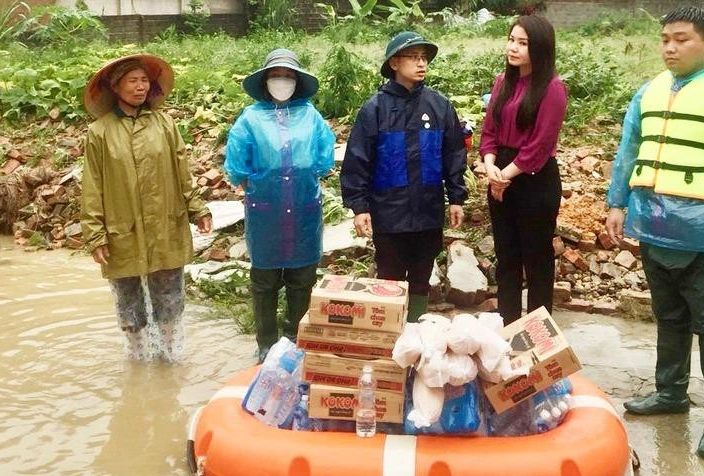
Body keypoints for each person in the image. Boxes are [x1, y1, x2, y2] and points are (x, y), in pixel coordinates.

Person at [605, 6, 704, 460]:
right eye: (665, 38)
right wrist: (617, 202)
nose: (670, 47)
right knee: (668, 319)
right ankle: (670, 394)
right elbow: (630, 147)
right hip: (655, 225)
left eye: (681, 38)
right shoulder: (650, 90)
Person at [81, 54, 212, 363]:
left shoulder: (165, 124)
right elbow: (92, 186)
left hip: (166, 222)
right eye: (132, 81)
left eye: (144, 81)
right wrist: (94, 233)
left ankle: (171, 358)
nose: (140, 88)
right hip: (121, 228)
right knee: (128, 298)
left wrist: (198, 209)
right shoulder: (99, 132)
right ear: (115, 87)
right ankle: (138, 360)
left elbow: (183, 171)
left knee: (169, 295)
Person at [340, 31, 467, 323]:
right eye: (414, 57)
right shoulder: (374, 109)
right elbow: (357, 160)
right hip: (389, 213)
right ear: (395, 63)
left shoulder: (439, 105)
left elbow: (454, 155)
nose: (421, 64)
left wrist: (456, 198)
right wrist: (359, 207)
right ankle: (390, 339)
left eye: (424, 58)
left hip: (427, 210)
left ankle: (418, 334)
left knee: (422, 276)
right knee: (390, 278)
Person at [224, 49, 335, 363]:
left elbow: (324, 158)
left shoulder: (311, 116)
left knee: (302, 279)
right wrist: (263, 190)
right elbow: (237, 167)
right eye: (276, 76)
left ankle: (295, 339)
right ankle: (266, 344)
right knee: (265, 282)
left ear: (296, 82)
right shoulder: (251, 118)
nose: (282, 82)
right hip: (266, 211)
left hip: (303, 209)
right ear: (266, 80)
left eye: (288, 76)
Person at [479, 15, 567, 325]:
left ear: (540, 48)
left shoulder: (552, 88)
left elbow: (540, 146)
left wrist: (506, 174)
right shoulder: (503, 82)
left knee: (537, 260)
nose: (512, 48)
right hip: (500, 174)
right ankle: (507, 329)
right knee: (507, 257)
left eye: (522, 43)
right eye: (511, 39)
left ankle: (540, 335)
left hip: (534, 179)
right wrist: (491, 166)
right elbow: (489, 131)